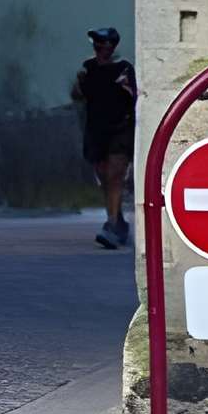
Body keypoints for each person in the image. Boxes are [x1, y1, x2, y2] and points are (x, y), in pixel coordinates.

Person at [74, 26, 139, 249]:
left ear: (112, 46)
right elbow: (78, 96)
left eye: (104, 44)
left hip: (120, 128)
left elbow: (136, 97)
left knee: (114, 175)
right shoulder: (88, 68)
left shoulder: (123, 68)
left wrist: (128, 89)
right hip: (96, 129)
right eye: (97, 45)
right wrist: (79, 84)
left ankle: (111, 226)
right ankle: (118, 221)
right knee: (104, 176)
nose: (101, 48)